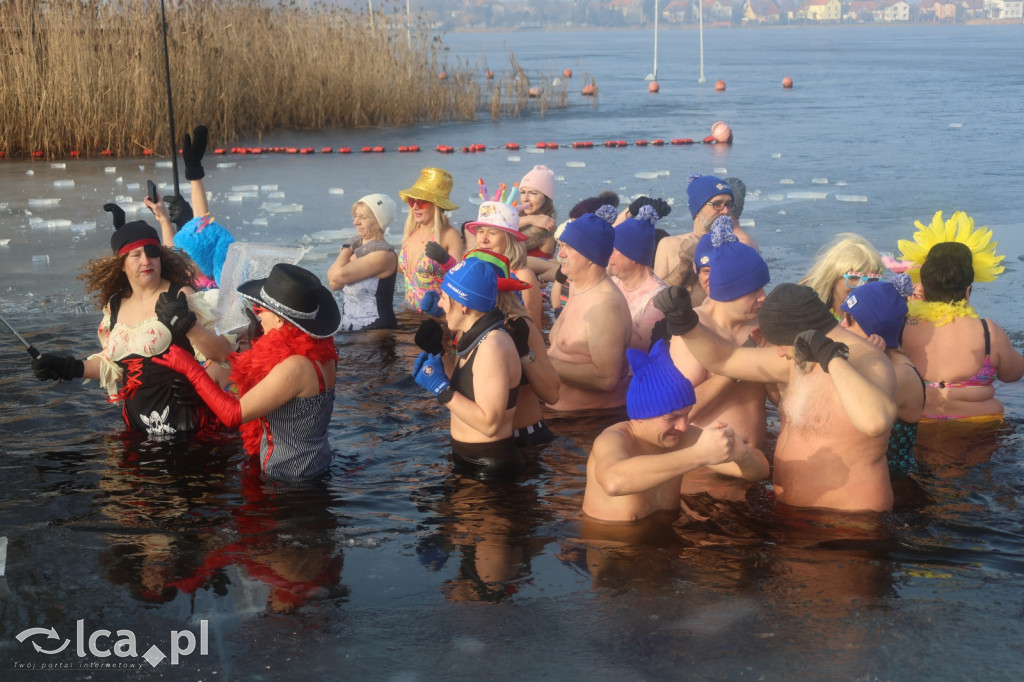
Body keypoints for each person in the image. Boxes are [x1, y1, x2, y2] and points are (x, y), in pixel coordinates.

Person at [657, 282, 898, 512]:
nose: (778, 352)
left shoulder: (869, 360)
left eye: (780, 344)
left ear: (800, 336)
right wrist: (686, 323)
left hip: (849, 521)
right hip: (791, 511)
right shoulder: (798, 358)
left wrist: (831, 357)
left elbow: (875, 422)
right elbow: (725, 359)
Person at [31, 217, 232, 438]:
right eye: (136, 255)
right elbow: (113, 366)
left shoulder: (180, 295)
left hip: (189, 427)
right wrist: (67, 367)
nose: (146, 261)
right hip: (137, 429)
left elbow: (222, 354)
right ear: (122, 264)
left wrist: (189, 329)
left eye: (151, 252)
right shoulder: (115, 306)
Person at [153, 263, 341, 481]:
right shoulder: (323, 354)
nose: (258, 317)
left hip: (289, 477)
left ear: (280, 319)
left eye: (261, 311)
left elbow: (233, 415)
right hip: (318, 464)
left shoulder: (296, 366)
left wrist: (190, 368)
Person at [581, 340, 768, 523]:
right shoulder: (614, 439)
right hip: (610, 546)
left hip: (666, 543)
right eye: (671, 418)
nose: (683, 426)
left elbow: (760, 470)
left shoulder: (682, 438)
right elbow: (614, 482)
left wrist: (742, 454)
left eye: (686, 415)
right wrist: (698, 455)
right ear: (639, 417)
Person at [666, 216, 771, 457]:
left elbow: (778, 398)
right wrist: (739, 364)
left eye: (764, 286)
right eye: (754, 289)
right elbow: (678, 412)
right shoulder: (694, 330)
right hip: (706, 467)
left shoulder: (764, 323)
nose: (764, 296)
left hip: (754, 461)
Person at [411, 259, 523, 477]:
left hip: (489, 466)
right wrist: (439, 354)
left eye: (444, 298)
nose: (440, 305)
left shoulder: (492, 346)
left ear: (463, 304)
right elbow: (469, 390)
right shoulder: (478, 337)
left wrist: (441, 390)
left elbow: (490, 424)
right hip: (474, 460)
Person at [900, 237, 1024, 422]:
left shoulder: (901, 327)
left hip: (917, 426)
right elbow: (1013, 374)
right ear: (967, 291)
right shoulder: (988, 332)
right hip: (979, 429)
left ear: (922, 288)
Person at [546, 212, 632, 412]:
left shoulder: (605, 307)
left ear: (591, 256)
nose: (561, 255)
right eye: (561, 246)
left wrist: (542, 361)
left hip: (588, 423)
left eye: (569, 248)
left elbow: (606, 378)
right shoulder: (578, 287)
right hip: (561, 415)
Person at [839, 277, 924, 474]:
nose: (841, 325)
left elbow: (845, 411)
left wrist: (865, 361)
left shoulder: (901, 374)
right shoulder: (885, 363)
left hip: (894, 481)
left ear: (873, 330)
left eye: (849, 319)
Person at [653, 174, 756, 305]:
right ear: (697, 208)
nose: (725, 211)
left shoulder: (738, 247)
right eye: (717, 204)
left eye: (729, 205)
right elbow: (655, 299)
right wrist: (685, 264)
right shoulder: (669, 244)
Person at [463, 200, 544, 328]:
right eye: (480, 231)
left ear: (509, 239)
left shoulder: (523, 276)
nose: (484, 239)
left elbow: (534, 327)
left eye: (492, 233)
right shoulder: (471, 270)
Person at [327, 193, 399, 330]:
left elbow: (337, 275)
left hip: (376, 331)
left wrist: (346, 249)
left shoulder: (382, 255)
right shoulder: (358, 248)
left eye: (363, 217)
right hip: (351, 327)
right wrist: (351, 249)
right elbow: (333, 284)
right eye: (356, 216)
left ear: (379, 221)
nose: (356, 222)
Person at [398, 167, 464, 310]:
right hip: (408, 312)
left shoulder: (449, 235)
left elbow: (461, 280)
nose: (415, 207)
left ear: (437, 205)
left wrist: (446, 261)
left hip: (436, 317)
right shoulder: (411, 233)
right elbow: (403, 272)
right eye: (411, 201)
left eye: (421, 202)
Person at [607, 204, 667, 351]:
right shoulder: (612, 283)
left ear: (633, 255)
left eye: (614, 249)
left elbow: (642, 345)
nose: (609, 254)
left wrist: (605, 317)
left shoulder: (657, 297)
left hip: (633, 371)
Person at [799, 232, 883, 319]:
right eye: (854, 278)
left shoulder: (886, 321)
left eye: (872, 279)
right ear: (833, 280)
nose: (863, 285)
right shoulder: (810, 320)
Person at [518, 164, 558, 261]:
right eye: (523, 192)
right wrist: (530, 219)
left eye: (533, 193)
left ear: (546, 198)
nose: (525, 199)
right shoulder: (522, 218)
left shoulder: (545, 226)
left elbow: (505, 247)